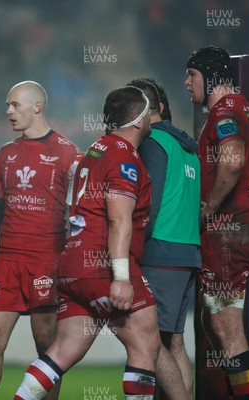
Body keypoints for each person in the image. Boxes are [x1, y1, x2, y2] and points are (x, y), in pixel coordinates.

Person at [15, 86, 160, 400]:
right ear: (137, 120)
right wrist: (121, 278)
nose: (151, 119)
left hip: (72, 266)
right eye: (148, 113)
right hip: (103, 266)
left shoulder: (92, 152)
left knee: (63, 350)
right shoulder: (124, 158)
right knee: (146, 344)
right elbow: (118, 219)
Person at [0, 81, 77, 400]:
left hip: (47, 261)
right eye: (7, 105)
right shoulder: (5, 153)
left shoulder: (67, 152)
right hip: (6, 263)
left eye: (15, 105)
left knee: (47, 347)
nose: (8, 111)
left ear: (37, 106)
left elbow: (76, 213)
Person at [186, 45, 249, 400]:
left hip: (228, 233)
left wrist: (211, 207)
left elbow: (234, 160)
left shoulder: (224, 110)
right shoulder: (248, 111)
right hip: (246, 226)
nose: (187, 82)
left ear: (211, 77)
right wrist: (247, 200)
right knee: (215, 323)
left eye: (192, 75)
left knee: (227, 330)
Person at [130, 77, 199, 400]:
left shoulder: (153, 142)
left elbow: (149, 203)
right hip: (187, 253)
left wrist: (131, 249)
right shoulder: (188, 147)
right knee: (174, 341)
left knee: (149, 340)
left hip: (160, 251)